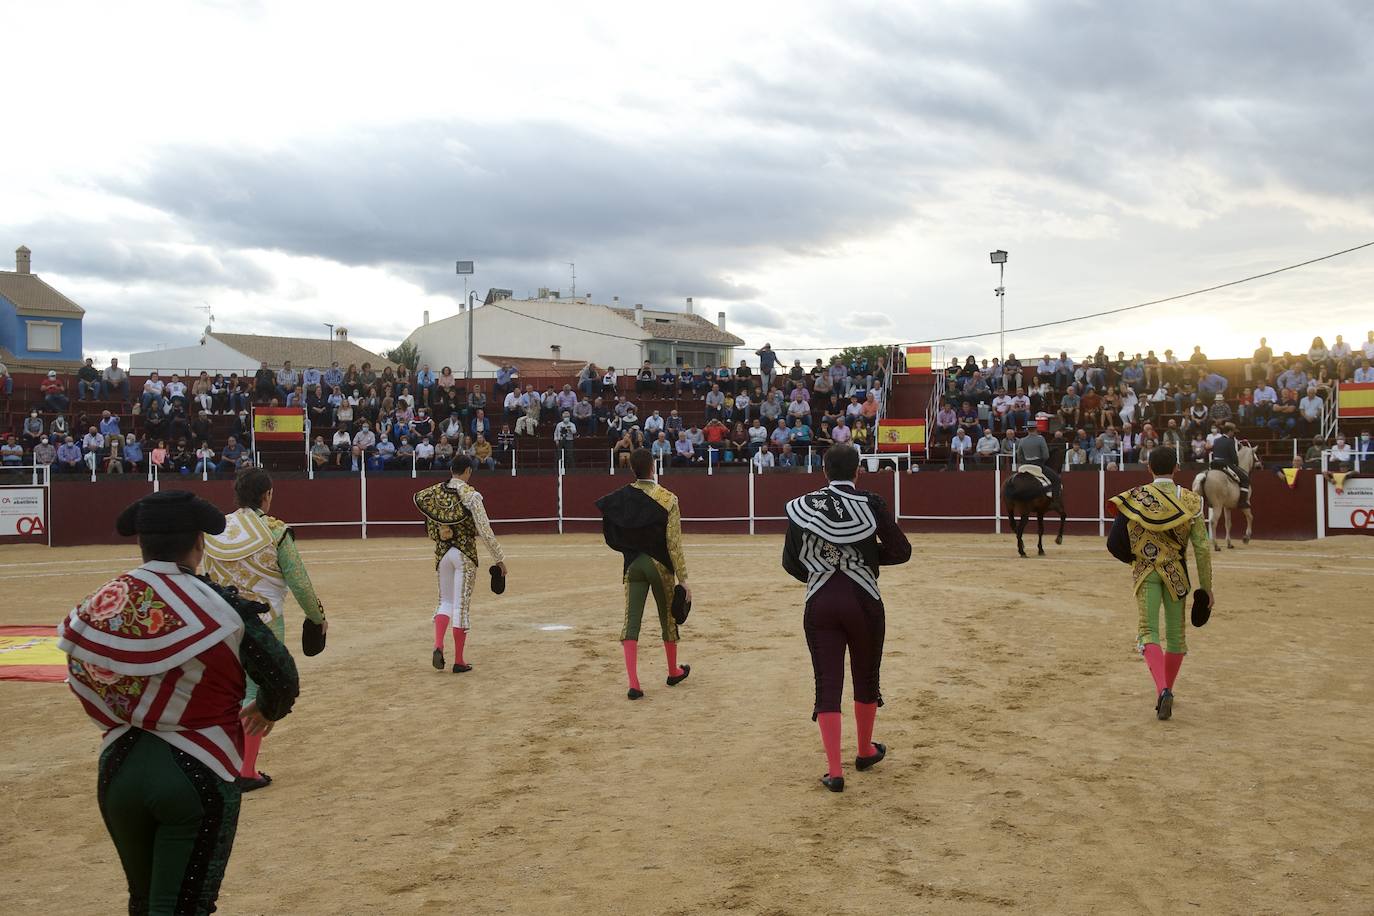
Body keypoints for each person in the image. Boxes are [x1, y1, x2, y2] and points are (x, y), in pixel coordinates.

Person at [56, 490, 299, 915]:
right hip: (198, 768)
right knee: (186, 905)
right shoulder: (221, 607)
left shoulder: (100, 603)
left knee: (144, 901)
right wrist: (268, 709)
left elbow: (79, 675)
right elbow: (280, 675)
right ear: (200, 543)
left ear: (141, 543)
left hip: (118, 766)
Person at [782, 443, 911, 792]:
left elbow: (791, 563)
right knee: (865, 675)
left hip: (820, 600)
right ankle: (866, 750)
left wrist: (823, 569)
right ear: (858, 471)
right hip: (864, 599)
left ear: (824, 471)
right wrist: (864, 559)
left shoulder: (803, 508)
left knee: (828, 682)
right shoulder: (871, 503)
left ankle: (835, 771)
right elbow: (901, 551)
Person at [201, 469, 327, 791]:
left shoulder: (216, 531)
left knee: (227, 692)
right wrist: (317, 617)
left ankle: (222, 762)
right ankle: (246, 770)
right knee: (257, 692)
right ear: (266, 495)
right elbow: (299, 583)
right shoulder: (276, 531)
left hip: (221, 621)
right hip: (265, 623)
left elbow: (205, 577)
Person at [1107, 448, 1213, 721]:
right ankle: (1168, 690)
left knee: (1148, 631)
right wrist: (1206, 588)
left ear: (1149, 468)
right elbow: (1202, 548)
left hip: (1145, 571)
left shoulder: (1135, 497)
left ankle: (1162, 688)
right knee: (1176, 637)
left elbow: (1115, 541)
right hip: (1176, 573)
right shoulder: (1191, 500)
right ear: (1176, 468)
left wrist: (1134, 559)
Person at [595, 448, 691, 700]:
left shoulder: (622, 497)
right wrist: (684, 579)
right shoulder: (668, 499)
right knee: (668, 619)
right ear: (653, 467)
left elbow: (610, 527)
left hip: (633, 565)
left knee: (631, 621)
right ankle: (672, 670)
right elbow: (673, 544)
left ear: (632, 470)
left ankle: (634, 683)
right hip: (659, 565)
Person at [413, 456, 507, 673]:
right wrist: (499, 559)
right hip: (464, 554)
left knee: (444, 601)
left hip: (442, 553)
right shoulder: (471, 496)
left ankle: (438, 644)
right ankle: (459, 661)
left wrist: (441, 534)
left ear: (450, 469)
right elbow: (485, 530)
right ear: (468, 471)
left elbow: (429, 526)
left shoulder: (434, 492)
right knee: (461, 606)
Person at [1207, 422, 1251, 509]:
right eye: (1233, 432)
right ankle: (1242, 502)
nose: (1234, 434)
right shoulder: (1230, 441)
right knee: (1245, 479)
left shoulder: (1216, 440)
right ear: (1230, 432)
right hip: (1226, 464)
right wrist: (1236, 464)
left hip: (1214, 464)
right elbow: (1234, 457)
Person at [1016, 424, 1061, 498]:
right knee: (1056, 480)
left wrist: (1025, 462)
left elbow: (1019, 455)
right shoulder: (1040, 439)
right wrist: (1041, 461)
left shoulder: (1022, 440)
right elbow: (1046, 455)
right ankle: (1055, 500)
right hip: (1038, 464)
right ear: (1036, 429)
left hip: (1026, 465)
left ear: (1027, 430)